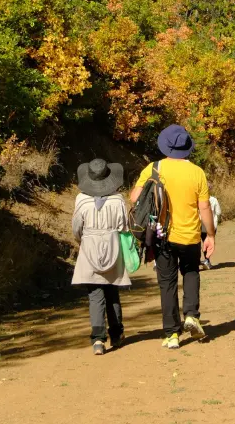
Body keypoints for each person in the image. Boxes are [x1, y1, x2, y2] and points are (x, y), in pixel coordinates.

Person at [131, 124, 216, 349]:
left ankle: (171, 335)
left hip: (162, 236)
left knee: (167, 283)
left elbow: (134, 198)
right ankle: (191, 315)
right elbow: (205, 207)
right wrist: (210, 235)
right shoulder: (197, 172)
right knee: (191, 272)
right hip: (190, 235)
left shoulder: (153, 168)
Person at [71, 158, 131, 355]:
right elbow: (123, 226)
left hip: (89, 247)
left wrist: (85, 239)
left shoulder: (81, 200)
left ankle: (98, 340)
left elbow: (76, 229)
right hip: (112, 245)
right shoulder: (118, 200)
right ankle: (116, 334)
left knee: (95, 295)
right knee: (112, 291)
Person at [200, 196, 222, 271]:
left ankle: (200, 261)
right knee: (209, 244)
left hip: (201, 226)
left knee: (201, 243)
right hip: (212, 226)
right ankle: (207, 260)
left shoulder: (198, 200)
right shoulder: (214, 200)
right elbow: (218, 212)